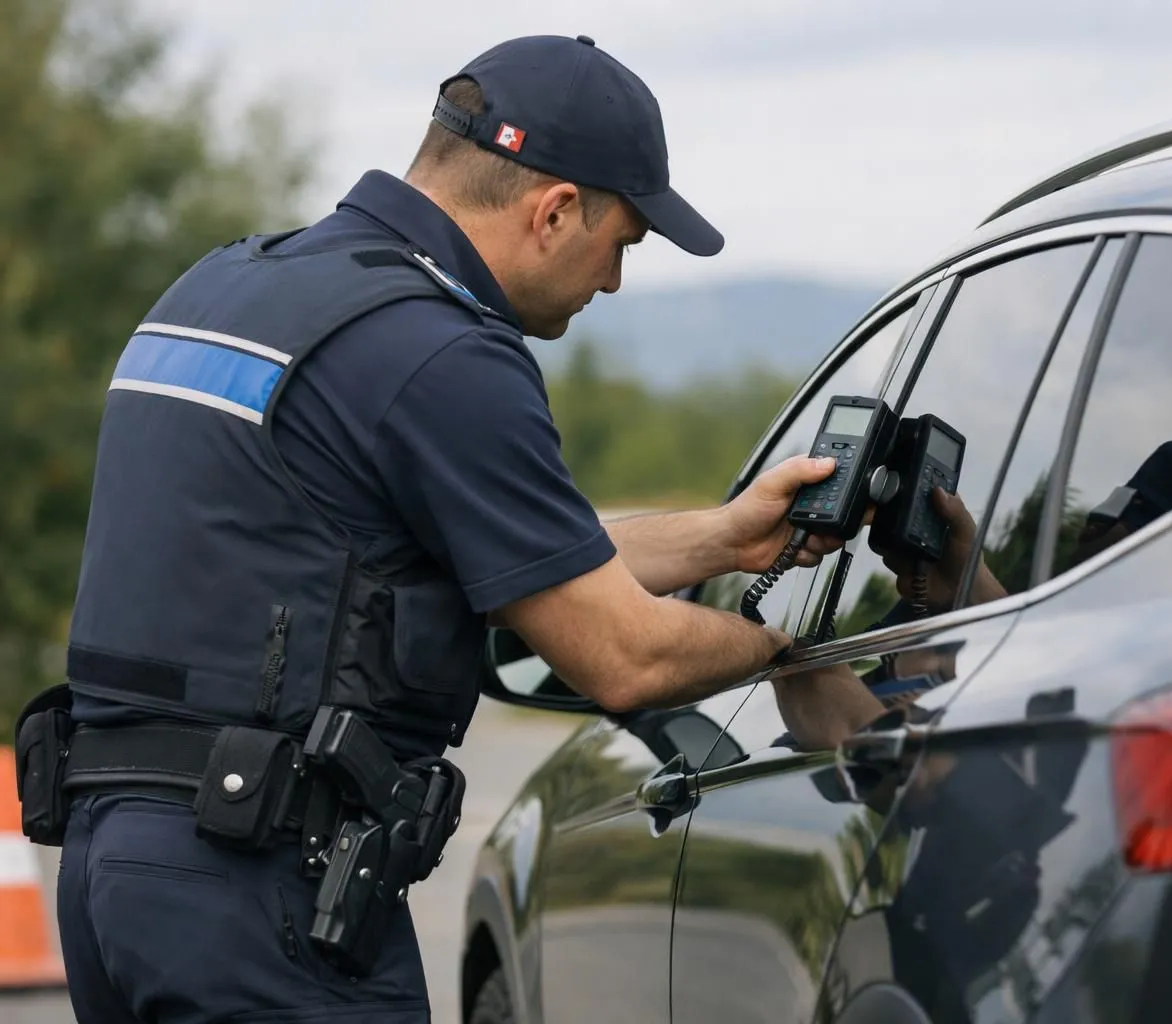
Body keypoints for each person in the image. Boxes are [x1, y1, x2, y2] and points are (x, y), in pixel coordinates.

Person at [20, 35, 845, 1024]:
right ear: (553, 211)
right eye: (623, 242)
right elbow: (624, 655)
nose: (616, 282)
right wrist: (787, 648)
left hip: (115, 871)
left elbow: (495, 560)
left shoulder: (224, 286)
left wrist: (725, 538)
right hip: (264, 890)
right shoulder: (441, 352)